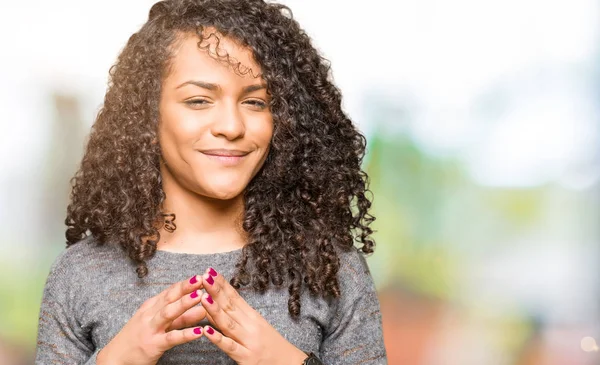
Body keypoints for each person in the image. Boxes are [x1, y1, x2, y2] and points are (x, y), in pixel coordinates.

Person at [34, 0, 387, 364]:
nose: (231, 127)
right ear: (147, 117)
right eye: (199, 100)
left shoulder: (332, 269)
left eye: (256, 102)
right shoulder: (79, 274)